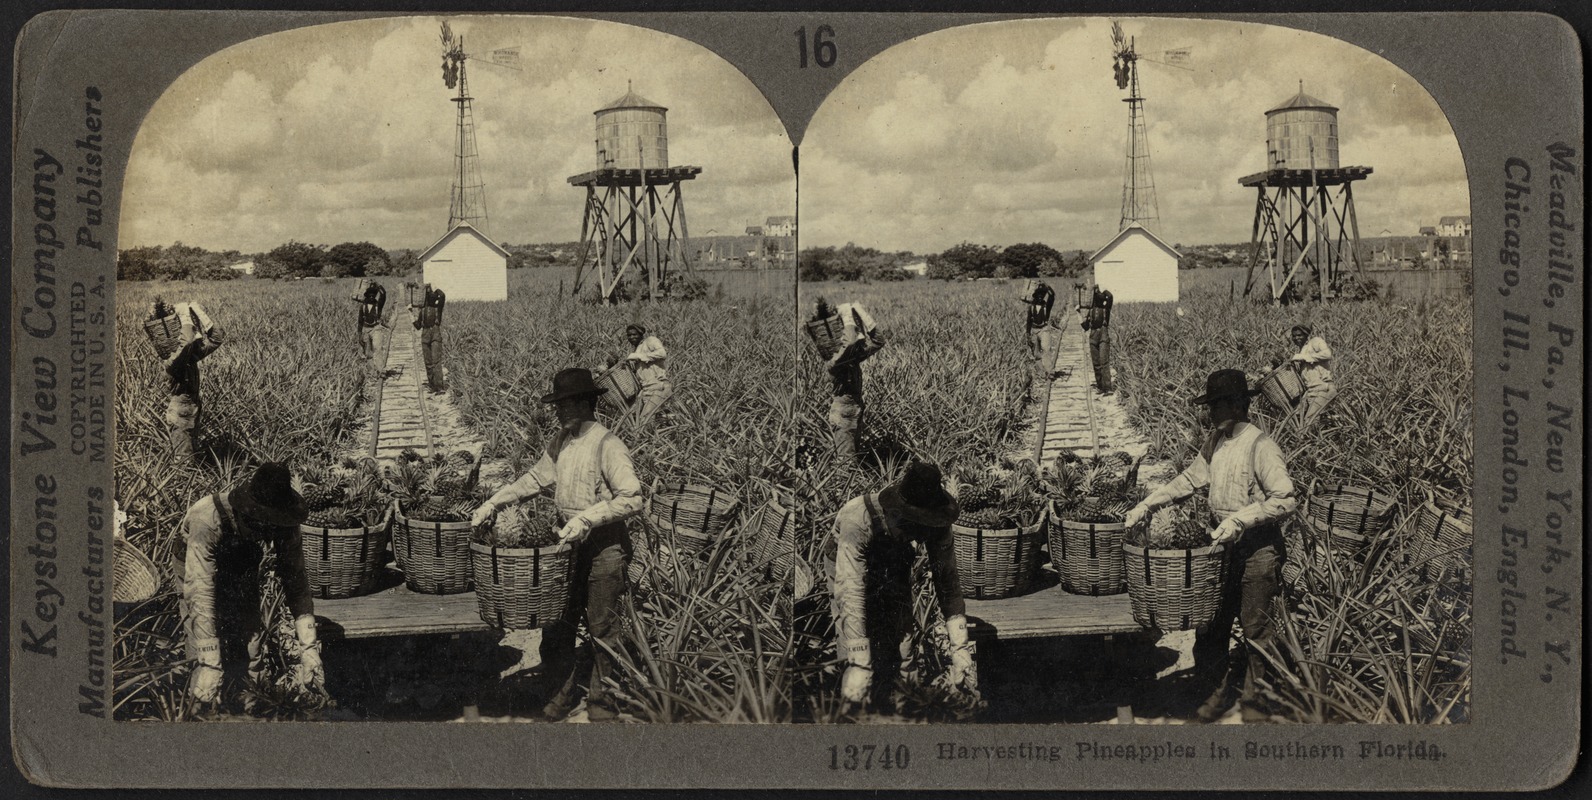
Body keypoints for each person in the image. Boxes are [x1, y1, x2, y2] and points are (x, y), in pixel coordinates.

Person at [1123, 369, 1298, 723]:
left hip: (1258, 549)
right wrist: (1150, 502)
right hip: (1222, 548)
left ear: (1239, 404)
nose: (1212, 412)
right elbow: (1190, 478)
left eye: (1218, 404)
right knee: (1213, 624)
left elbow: (1285, 499)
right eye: (1211, 405)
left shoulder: (1261, 446)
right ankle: (1213, 691)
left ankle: (1259, 703)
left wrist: (1241, 519)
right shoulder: (1216, 442)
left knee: (1256, 627)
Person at [471, 368, 644, 722]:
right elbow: (535, 477)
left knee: (602, 628)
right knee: (558, 625)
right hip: (567, 546)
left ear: (586, 402)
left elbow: (632, 498)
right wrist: (495, 501)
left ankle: (603, 703)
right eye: (558, 405)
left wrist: (587, 518)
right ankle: (561, 694)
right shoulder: (562, 440)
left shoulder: (607, 444)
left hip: (604, 547)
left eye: (566, 404)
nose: (560, 411)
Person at [174, 462, 323, 711]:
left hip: (240, 566)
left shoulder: (284, 521)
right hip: (195, 568)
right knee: (201, 647)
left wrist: (309, 648)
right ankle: (200, 707)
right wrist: (210, 661)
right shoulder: (207, 519)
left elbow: (296, 580)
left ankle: (250, 698)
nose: (268, 534)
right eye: (263, 524)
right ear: (247, 514)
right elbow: (200, 591)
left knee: (249, 635)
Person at [828, 461, 976, 711]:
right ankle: (855, 711)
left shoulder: (936, 521)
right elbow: (851, 592)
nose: (918, 539)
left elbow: (948, 580)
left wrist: (960, 647)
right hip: (846, 568)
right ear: (894, 513)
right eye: (912, 527)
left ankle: (906, 703)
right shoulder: (857, 520)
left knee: (902, 641)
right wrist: (859, 661)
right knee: (855, 654)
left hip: (893, 566)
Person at [165, 307, 225, 458]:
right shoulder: (173, 362)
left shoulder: (191, 358)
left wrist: (199, 312)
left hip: (192, 410)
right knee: (183, 461)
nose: (198, 340)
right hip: (180, 415)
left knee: (192, 454)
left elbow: (217, 338)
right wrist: (185, 317)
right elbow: (186, 342)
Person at [827, 307, 885, 460]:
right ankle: (844, 483)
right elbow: (851, 342)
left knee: (853, 458)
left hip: (854, 412)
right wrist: (847, 315)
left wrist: (860, 310)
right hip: (843, 416)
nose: (860, 339)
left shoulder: (853, 359)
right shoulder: (835, 361)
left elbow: (878, 340)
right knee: (846, 463)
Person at [1287, 325, 1337, 428]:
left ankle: (1306, 440)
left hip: (1323, 388)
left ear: (1306, 335)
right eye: (1294, 336)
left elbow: (1328, 354)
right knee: (1295, 416)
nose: (1296, 338)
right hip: (1311, 392)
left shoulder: (1315, 341)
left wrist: (1305, 357)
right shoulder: (1301, 351)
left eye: (1300, 335)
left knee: (1309, 422)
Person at [623, 324, 672, 424]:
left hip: (658, 386)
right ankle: (667, 420)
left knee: (644, 421)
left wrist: (639, 356)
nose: (631, 337)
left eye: (634, 334)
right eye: (629, 335)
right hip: (645, 389)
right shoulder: (636, 349)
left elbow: (662, 353)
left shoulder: (650, 340)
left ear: (641, 334)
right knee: (630, 416)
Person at [410, 284, 446, 393]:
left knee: (435, 361)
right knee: (429, 362)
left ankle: (438, 386)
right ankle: (433, 386)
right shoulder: (425, 310)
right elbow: (418, 326)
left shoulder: (437, 309)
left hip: (433, 335)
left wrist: (432, 288)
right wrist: (411, 314)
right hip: (427, 335)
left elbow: (442, 295)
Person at [1078, 283, 1114, 394]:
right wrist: (1078, 313)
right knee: (1096, 363)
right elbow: (1085, 327)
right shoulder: (1091, 311)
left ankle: (1107, 387)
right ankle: (1100, 386)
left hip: (1103, 336)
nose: (1099, 300)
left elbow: (1110, 296)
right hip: (1093, 337)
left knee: (1104, 361)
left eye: (1100, 299)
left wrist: (1100, 290)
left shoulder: (1106, 309)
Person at [351, 280, 388, 361]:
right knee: (368, 353)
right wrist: (359, 334)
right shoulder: (363, 306)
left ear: (375, 296)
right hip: (365, 329)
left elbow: (383, 294)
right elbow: (360, 321)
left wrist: (378, 285)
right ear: (366, 296)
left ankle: (380, 370)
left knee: (378, 349)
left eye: (373, 295)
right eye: (370, 295)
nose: (371, 297)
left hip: (376, 329)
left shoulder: (378, 305)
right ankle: (372, 371)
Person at [1022, 280, 1057, 360]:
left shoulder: (1046, 306)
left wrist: (1047, 286)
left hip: (1044, 329)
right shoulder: (1031, 307)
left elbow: (1052, 296)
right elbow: (1029, 321)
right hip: (1034, 330)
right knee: (1036, 353)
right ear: (1035, 296)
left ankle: (1049, 371)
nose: (1040, 297)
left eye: (1042, 295)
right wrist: (1028, 333)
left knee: (1046, 349)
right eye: (1038, 295)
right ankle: (1040, 371)